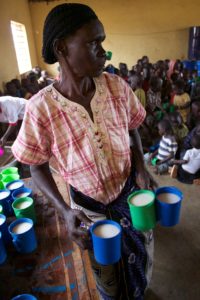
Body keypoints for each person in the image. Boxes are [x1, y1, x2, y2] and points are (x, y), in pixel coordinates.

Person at [12, 4, 156, 299]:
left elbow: (132, 127)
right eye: (93, 43)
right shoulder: (42, 108)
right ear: (62, 48)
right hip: (88, 211)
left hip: (129, 197)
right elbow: (35, 166)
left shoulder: (116, 87)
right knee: (108, 272)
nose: (104, 51)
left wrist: (141, 167)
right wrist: (65, 210)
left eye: (102, 42)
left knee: (140, 260)